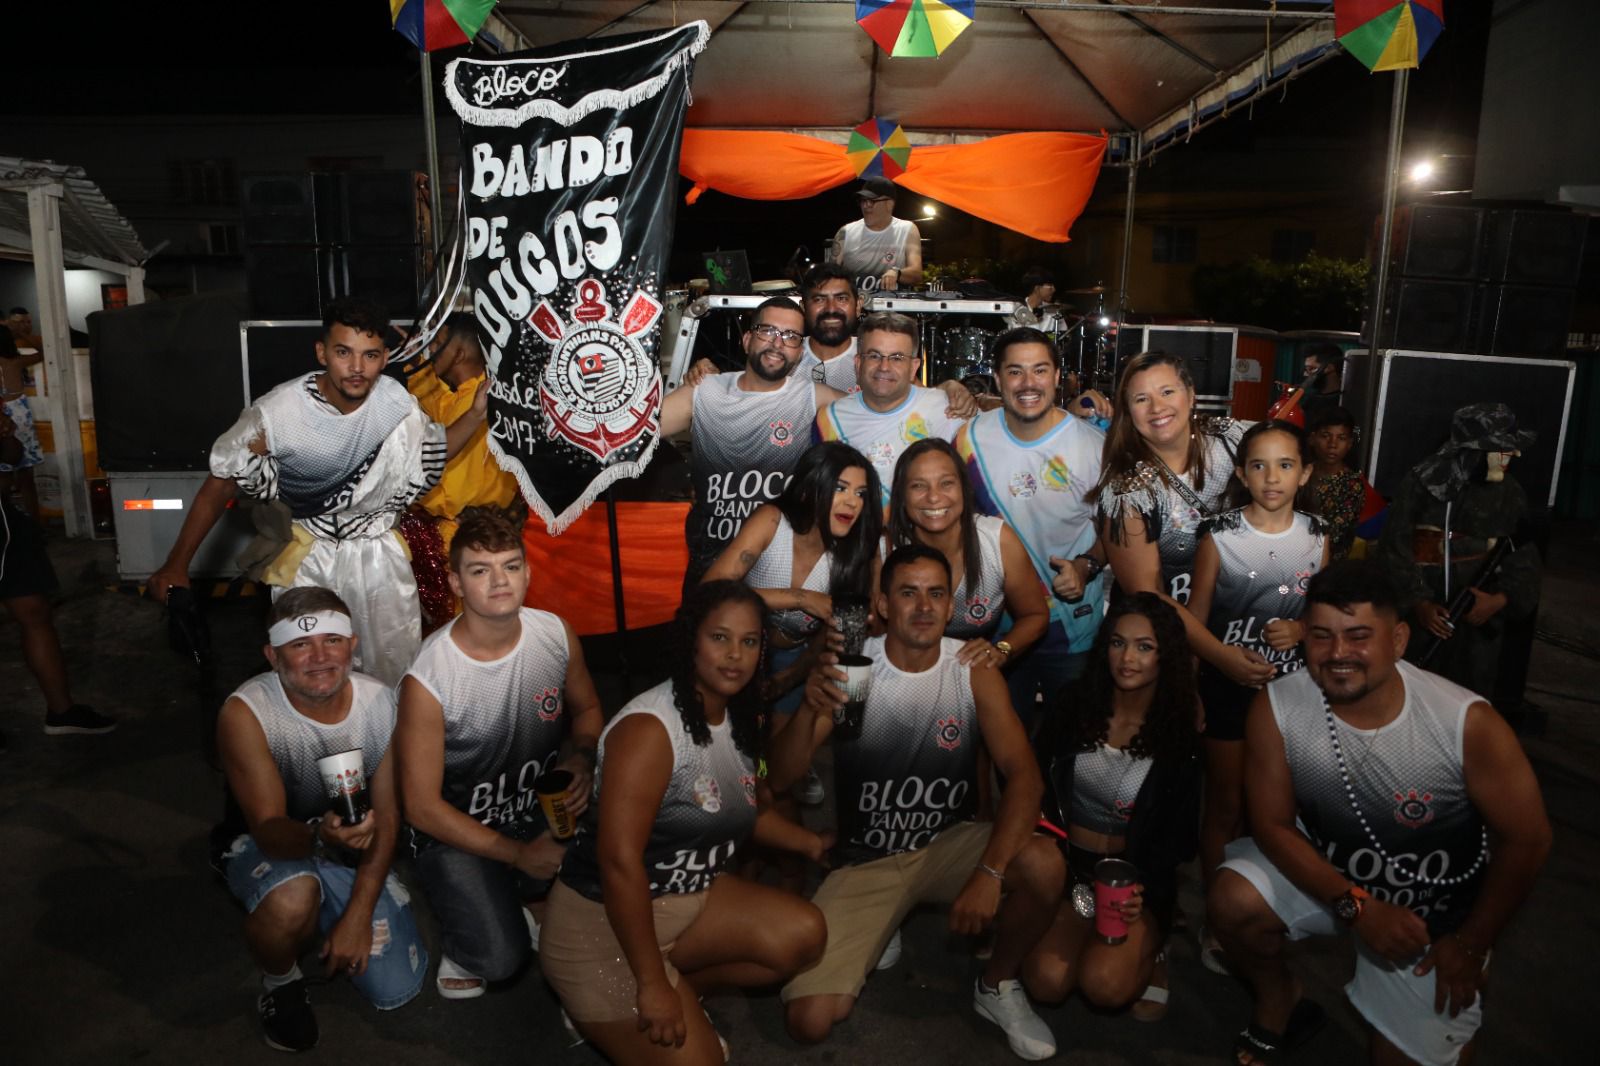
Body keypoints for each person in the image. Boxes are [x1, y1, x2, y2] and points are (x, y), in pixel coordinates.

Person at [1208, 560, 1550, 1066]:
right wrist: (1358, 908)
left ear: (1399, 640)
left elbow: (1529, 840)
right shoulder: (1279, 705)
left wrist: (1472, 943)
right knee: (1233, 901)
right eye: (1321, 636)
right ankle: (1278, 998)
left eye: (1358, 636)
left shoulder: (1464, 722)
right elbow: (1273, 826)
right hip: (1330, 881)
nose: (1337, 653)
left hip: (1429, 913)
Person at [775, 546, 1066, 1060]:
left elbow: (1025, 777)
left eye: (936, 594)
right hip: (867, 859)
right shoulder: (855, 669)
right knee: (809, 1020)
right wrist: (806, 713)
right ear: (884, 605)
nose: (925, 606)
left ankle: (996, 984)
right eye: (908, 593)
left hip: (949, 846)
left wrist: (990, 872)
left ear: (951, 607)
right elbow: (776, 776)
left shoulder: (971, 668)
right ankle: (885, 919)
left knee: (1043, 862)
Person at [542, 580, 829, 1065]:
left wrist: (811, 844)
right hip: (601, 929)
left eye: (749, 641)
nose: (735, 655)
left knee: (803, 935)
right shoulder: (650, 730)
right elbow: (618, 863)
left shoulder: (736, 713)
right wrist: (652, 984)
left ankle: (680, 993)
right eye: (719, 637)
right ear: (690, 640)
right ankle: (620, 1001)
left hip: (682, 899)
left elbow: (748, 803)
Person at [148, 297, 488, 686]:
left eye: (370, 355)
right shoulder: (280, 412)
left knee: (392, 678)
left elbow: (429, 455)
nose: (357, 367)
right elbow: (223, 478)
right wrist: (176, 565)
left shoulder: (395, 404)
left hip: (381, 561)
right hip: (310, 561)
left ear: (384, 357)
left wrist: (476, 413)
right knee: (310, 676)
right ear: (322, 352)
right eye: (344, 352)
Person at [393, 506, 603, 999]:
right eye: (480, 570)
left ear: (528, 573)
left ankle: (522, 895)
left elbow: (590, 710)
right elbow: (421, 808)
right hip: (457, 830)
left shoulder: (555, 635)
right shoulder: (429, 679)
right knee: (500, 959)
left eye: (510, 565)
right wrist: (518, 855)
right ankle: (474, 919)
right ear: (456, 583)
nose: (500, 580)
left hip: (538, 807)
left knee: (623, 871)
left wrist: (581, 757)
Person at [215, 587, 428, 1052]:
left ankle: (336, 905)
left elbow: (389, 816)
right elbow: (269, 830)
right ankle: (281, 980)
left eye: (332, 641)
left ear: (352, 645)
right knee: (292, 899)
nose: (319, 657)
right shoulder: (247, 712)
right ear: (273, 656)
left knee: (395, 989)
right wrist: (319, 839)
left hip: (349, 844)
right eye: (300, 645)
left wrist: (359, 914)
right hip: (275, 843)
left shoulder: (381, 703)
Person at [1025, 593, 1201, 1021]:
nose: (1128, 658)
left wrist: (1144, 890)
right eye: (1118, 643)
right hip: (1070, 870)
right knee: (1046, 982)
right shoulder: (1074, 704)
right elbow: (1034, 780)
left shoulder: (1179, 730)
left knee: (1104, 985)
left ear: (1165, 656)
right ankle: (1076, 931)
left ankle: (1155, 950)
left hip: (1133, 880)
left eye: (1145, 646)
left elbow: (1180, 837)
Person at [1187, 420, 1330, 914]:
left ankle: (1263, 902)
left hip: (1293, 693)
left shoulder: (1318, 536)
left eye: (1285, 465)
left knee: (1274, 808)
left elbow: (1328, 615)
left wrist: (1303, 630)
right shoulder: (1219, 536)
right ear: (1242, 474)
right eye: (1259, 466)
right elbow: (1195, 618)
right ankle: (1218, 914)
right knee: (1225, 804)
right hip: (1226, 688)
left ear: (1304, 473)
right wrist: (1192, 688)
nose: (1272, 477)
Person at [704, 441, 881, 804]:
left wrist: (790, 677)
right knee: (729, 748)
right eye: (840, 488)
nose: (852, 502)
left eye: (861, 493)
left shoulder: (854, 552)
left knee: (773, 767)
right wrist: (801, 598)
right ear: (811, 487)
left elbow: (830, 635)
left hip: (797, 657)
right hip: (740, 647)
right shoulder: (773, 521)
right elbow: (710, 590)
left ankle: (774, 776)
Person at [1090, 350, 1276, 690]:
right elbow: (1148, 594)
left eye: (1167, 391)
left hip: (1248, 622)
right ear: (1128, 412)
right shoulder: (1124, 491)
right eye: (1141, 399)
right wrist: (1218, 655)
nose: (1157, 407)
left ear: (1190, 395)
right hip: (1164, 642)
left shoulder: (1235, 440)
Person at [955, 327, 1108, 727]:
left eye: (1039, 370)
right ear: (997, 377)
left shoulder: (1094, 447)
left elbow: (1115, 534)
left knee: (1071, 744)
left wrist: (1085, 566)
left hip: (1073, 628)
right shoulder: (969, 438)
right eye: (1015, 371)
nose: (1028, 383)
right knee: (1001, 743)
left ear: (1057, 377)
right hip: (996, 626)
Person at [660, 296, 846, 588]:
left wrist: (927, 392)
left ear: (799, 353)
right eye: (767, 331)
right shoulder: (705, 391)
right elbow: (637, 431)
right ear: (747, 340)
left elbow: (878, 414)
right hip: (711, 560)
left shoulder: (814, 397)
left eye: (790, 336)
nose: (777, 343)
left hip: (777, 564)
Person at [1377, 403, 1541, 696]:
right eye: (1501, 448)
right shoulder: (1422, 484)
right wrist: (1419, 602)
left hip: (1478, 626)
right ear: (1474, 451)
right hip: (1423, 618)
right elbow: (1395, 547)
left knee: (1469, 693)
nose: (1513, 454)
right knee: (1414, 689)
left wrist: (1499, 600)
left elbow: (1524, 555)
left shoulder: (1510, 493)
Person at [0, 407, 114, 746]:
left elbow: (12, 456)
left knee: (35, 610)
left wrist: (5, 434)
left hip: (5, 521)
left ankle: (62, 711)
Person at [399, 313, 519, 631]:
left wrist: (408, 498)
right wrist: (416, 362)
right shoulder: (468, 396)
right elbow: (436, 400)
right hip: (462, 532)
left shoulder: (479, 402)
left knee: (465, 627)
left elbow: (448, 490)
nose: (430, 350)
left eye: (437, 343)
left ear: (459, 353)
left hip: (467, 536)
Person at [885, 437, 1049, 668]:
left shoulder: (997, 541)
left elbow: (1035, 615)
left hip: (976, 668)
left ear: (964, 488)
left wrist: (1000, 651)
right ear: (902, 496)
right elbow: (876, 634)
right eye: (918, 486)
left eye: (946, 483)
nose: (934, 497)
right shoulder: (886, 548)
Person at [814, 311, 971, 511]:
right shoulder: (830, 419)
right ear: (858, 363)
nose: (884, 367)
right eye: (874, 356)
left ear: (913, 367)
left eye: (897, 358)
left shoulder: (949, 409)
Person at [827, 177, 924, 293]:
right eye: (863, 200)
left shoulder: (908, 230)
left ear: (889, 204)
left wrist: (897, 273)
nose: (866, 205)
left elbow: (917, 273)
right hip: (854, 302)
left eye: (872, 201)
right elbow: (828, 276)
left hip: (893, 302)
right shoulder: (845, 232)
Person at [1307, 406, 1376, 561]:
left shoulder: (1352, 485)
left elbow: (1335, 537)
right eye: (1326, 436)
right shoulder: (1299, 474)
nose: (1333, 444)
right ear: (1312, 438)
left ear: (1349, 444)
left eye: (1341, 438)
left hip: (1327, 562)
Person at [796, 263, 866, 393]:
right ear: (803, 308)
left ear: (858, 306)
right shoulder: (785, 356)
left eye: (841, 298)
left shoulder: (875, 358)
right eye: (819, 299)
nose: (831, 309)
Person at [0, 324, 43, 520]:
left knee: (3, 477)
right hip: (20, 416)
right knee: (26, 477)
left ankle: (7, 523)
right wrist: (22, 333)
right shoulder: (16, 362)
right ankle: (35, 525)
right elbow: (43, 352)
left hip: (2, 417)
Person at [1295, 343, 1344, 422]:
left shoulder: (1344, 401)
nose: (1306, 374)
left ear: (1329, 368)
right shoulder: (1310, 401)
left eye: (1311, 368)